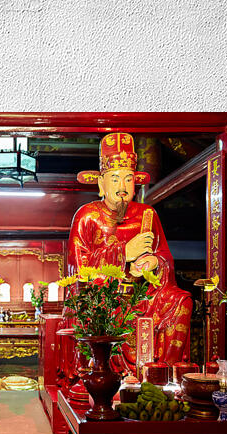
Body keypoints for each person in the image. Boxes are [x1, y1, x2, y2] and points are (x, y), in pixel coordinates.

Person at [69, 132, 192, 367]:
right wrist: (124, 253)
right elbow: (78, 266)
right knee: (100, 308)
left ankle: (162, 372)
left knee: (180, 300)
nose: (122, 186)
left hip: (143, 295)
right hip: (105, 295)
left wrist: (155, 264)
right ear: (101, 184)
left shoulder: (148, 214)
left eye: (128, 179)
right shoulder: (87, 216)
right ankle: (106, 368)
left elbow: (164, 256)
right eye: (114, 179)